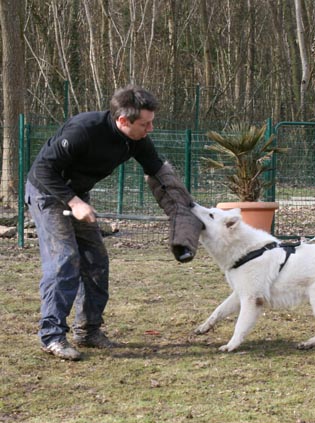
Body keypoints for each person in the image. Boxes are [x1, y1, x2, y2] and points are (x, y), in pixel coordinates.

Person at [26, 85, 201, 361]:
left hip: (77, 194)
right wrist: (74, 202)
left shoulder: (137, 139)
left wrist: (188, 211)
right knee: (64, 260)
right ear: (123, 121)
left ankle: (88, 330)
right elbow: (43, 170)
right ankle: (52, 336)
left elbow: (159, 174)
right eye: (145, 123)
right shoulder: (83, 130)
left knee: (96, 260)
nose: (151, 128)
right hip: (47, 193)